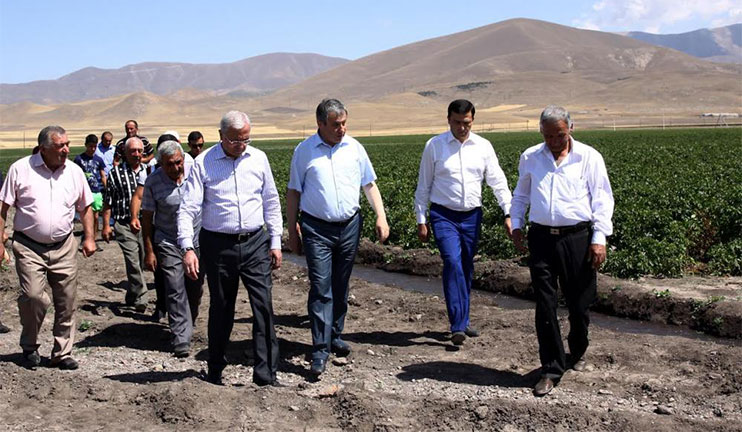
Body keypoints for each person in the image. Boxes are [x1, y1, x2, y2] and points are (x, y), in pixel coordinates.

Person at [510, 105, 614, 397]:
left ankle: (577, 349)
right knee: (545, 304)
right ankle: (551, 369)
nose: (554, 142)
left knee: (580, 304)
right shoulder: (531, 157)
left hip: (577, 237)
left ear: (571, 128)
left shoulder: (588, 157)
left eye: (559, 135)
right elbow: (521, 194)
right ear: (541, 133)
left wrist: (599, 238)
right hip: (541, 238)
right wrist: (516, 224)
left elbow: (603, 199)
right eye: (548, 136)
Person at [178, 110, 283, 387]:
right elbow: (188, 208)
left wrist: (275, 241)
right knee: (222, 308)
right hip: (217, 245)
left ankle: (266, 375)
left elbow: (271, 200)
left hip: (255, 242)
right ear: (221, 136)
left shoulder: (259, 159)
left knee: (263, 307)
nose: (241, 145)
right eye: (235, 140)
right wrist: (188, 247)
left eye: (246, 139)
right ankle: (215, 369)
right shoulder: (204, 163)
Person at [286, 98, 389, 377]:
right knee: (321, 286)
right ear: (320, 124)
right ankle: (319, 349)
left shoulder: (355, 148)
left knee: (341, 284)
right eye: (335, 125)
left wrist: (381, 216)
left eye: (344, 123)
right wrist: (291, 228)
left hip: (349, 226)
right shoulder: (305, 151)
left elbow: (369, 184)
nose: (341, 129)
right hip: (316, 228)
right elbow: (294, 191)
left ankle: (334, 334)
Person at [414, 99, 512, 346]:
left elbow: (497, 181)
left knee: (466, 266)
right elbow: (423, 185)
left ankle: (464, 319)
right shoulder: (434, 146)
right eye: (457, 122)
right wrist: (421, 218)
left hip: (471, 216)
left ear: (473, 121)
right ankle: (457, 324)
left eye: (466, 123)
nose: (462, 127)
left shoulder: (483, 147)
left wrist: (509, 213)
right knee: (452, 262)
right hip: (443, 214)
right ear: (448, 120)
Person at [0, 125, 96, 369]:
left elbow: (85, 206)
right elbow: (3, 208)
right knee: (33, 296)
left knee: (67, 299)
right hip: (28, 245)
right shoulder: (21, 169)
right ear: (43, 148)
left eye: (67, 144)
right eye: (60, 146)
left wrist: (89, 237)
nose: (66, 149)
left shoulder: (74, 172)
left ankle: (62, 353)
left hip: (64, 245)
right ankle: (29, 345)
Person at [142, 140, 203, 357]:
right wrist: (149, 251)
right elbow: (147, 218)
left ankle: (188, 323)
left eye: (178, 162)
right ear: (160, 164)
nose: (176, 168)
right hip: (167, 241)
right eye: (169, 165)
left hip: (196, 241)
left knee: (194, 288)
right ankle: (181, 338)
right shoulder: (153, 182)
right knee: (174, 287)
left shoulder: (195, 174)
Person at [102, 137, 148, 311]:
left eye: (139, 151)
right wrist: (106, 225)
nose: (136, 154)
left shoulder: (150, 171)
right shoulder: (115, 173)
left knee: (143, 260)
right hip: (124, 223)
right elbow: (108, 203)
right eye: (132, 151)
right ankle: (142, 298)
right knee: (132, 261)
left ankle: (132, 293)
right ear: (125, 153)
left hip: (147, 223)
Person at [74, 134, 107, 240]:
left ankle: (94, 237)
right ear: (86, 145)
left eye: (94, 146)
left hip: (96, 191)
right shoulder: (79, 159)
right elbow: (75, 175)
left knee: (96, 216)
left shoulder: (99, 160)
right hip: (84, 191)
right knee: (87, 216)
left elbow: (103, 175)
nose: (92, 149)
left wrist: (106, 188)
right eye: (90, 146)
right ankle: (87, 236)